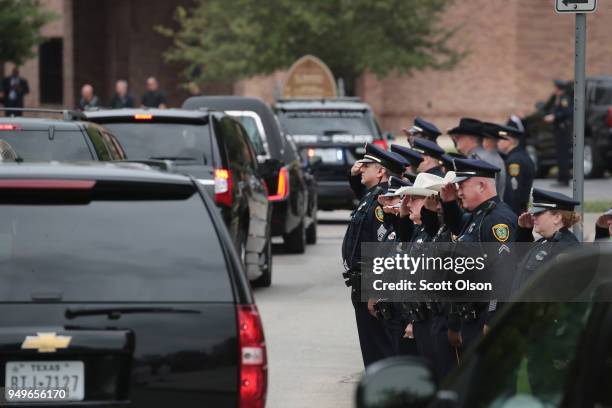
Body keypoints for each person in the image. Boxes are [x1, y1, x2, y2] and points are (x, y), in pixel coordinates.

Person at [440, 158, 518, 350]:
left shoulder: (498, 220)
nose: (458, 192)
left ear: (482, 186)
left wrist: (492, 320)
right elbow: (458, 227)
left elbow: (503, 275)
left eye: (462, 186)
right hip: (471, 317)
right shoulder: (479, 215)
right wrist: (449, 203)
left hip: (485, 317)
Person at [342, 143, 407, 367]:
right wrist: (352, 177)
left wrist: (376, 288)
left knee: (379, 352)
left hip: (371, 284)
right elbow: (358, 191)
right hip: (361, 282)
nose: (361, 169)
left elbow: (384, 247)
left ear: (380, 172)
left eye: (366, 166)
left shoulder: (381, 202)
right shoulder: (371, 196)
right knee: (371, 349)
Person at [511, 189, 580, 293]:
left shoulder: (566, 248)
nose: (533, 217)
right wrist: (524, 232)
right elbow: (518, 261)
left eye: (538, 213)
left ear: (557, 217)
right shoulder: (545, 241)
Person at [448, 117, 507, 197]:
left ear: (471, 138)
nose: (456, 139)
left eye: (459, 136)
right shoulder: (483, 157)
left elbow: (483, 192)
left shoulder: (478, 160)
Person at [496, 123, 535, 215]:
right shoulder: (519, 155)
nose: (498, 142)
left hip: (514, 210)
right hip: (519, 209)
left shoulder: (514, 161)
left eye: (500, 139)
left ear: (509, 141)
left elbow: (513, 190)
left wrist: (508, 213)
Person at [545, 80, 572, 187]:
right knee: (560, 155)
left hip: (563, 130)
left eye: (555, 88)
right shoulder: (558, 98)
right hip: (559, 130)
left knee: (563, 155)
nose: (554, 90)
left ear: (558, 88)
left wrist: (554, 117)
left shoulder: (565, 98)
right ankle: (561, 178)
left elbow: (567, 112)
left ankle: (564, 179)